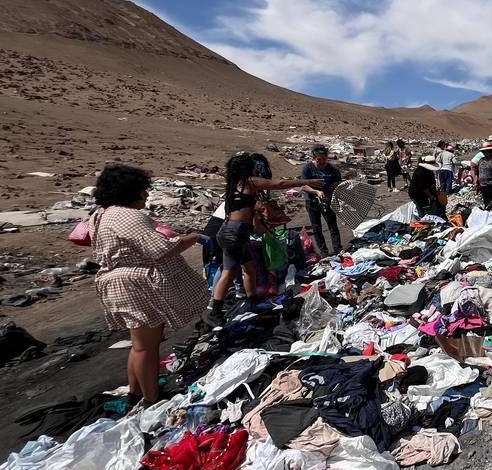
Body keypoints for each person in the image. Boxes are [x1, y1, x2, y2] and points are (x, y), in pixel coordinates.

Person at [89, 164, 207, 404]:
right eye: (143, 190)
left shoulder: (101, 213)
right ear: (130, 191)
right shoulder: (128, 216)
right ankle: (152, 398)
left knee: (139, 344)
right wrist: (193, 237)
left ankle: (136, 391)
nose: (146, 195)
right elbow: (160, 249)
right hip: (134, 284)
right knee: (146, 346)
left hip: (118, 282)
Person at [209, 152, 313, 323]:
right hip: (233, 234)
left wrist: (263, 229)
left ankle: (252, 301)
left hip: (237, 233)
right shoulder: (249, 182)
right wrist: (306, 182)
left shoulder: (236, 185)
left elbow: (251, 217)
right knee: (229, 272)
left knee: (249, 269)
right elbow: (280, 183)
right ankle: (216, 312)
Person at [301, 145, 343, 257]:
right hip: (312, 202)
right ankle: (324, 252)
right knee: (316, 227)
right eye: (319, 159)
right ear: (314, 158)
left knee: (332, 226)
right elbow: (303, 186)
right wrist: (316, 192)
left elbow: (338, 183)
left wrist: (336, 186)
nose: (322, 162)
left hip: (328, 201)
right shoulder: (308, 169)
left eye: (324, 159)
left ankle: (338, 250)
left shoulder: (333, 170)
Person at [475, 140, 492, 208]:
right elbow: (478, 172)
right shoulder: (481, 160)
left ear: (490, 151)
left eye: (486, 151)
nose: (484, 153)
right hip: (482, 184)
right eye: (483, 151)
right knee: (485, 200)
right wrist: (477, 182)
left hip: (491, 184)